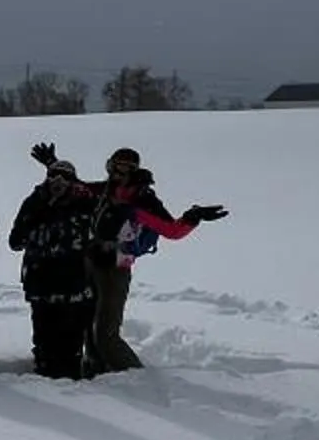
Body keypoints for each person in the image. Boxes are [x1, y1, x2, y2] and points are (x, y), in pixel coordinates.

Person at [86, 148, 226, 373]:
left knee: (106, 334)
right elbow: (77, 188)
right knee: (88, 325)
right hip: (91, 263)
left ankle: (136, 378)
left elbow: (171, 230)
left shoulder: (142, 199)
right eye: (118, 165)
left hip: (116, 270)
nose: (120, 171)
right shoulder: (105, 190)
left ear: (135, 170)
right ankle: (96, 372)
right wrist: (54, 166)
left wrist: (192, 217)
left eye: (127, 167)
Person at [8, 144, 108, 378]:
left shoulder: (85, 204)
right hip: (41, 283)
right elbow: (15, 241)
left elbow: (107, 198)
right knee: (44, 338)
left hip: (73, 285)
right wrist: (40, 214)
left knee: (71, 339)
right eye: (53, 177)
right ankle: (45, 373)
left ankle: (71, 378)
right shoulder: (34, 202)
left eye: (65, 179)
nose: (58, 183)